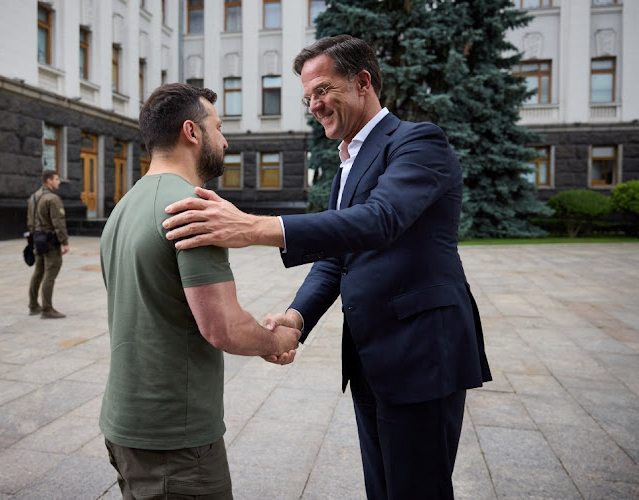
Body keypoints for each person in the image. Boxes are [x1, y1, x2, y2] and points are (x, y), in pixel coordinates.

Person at [161, 35, 492, 499]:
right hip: (372, 358)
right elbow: (337, 258)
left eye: (322, 90)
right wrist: (296, 318)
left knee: (418, 490)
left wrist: (254, 227)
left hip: (422, 355)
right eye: (307, 96)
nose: (314, 105)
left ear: (362, 82)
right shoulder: (346, 165)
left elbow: (381, 220)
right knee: (384, 489)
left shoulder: (417, 142)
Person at [98, 83, 301, 500]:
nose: (224, 140)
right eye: (219, 127)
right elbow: (222, 326)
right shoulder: (195, 208)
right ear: (192, 132)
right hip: (175, 441)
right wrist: (276, 339)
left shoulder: (124, 205)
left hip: (124, 424)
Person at [27, 169, 69, 319]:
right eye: (57, 179)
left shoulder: (33, 197)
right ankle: (47, 309)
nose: (59, 182)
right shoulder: (53, 198)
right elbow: (58, 223)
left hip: (37, 240)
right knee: (50, 274)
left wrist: (33, 240)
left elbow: (30, 222)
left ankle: (33, 305)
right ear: (49, 181)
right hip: (51, 241)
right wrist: (64, 242)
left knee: (38, 272)